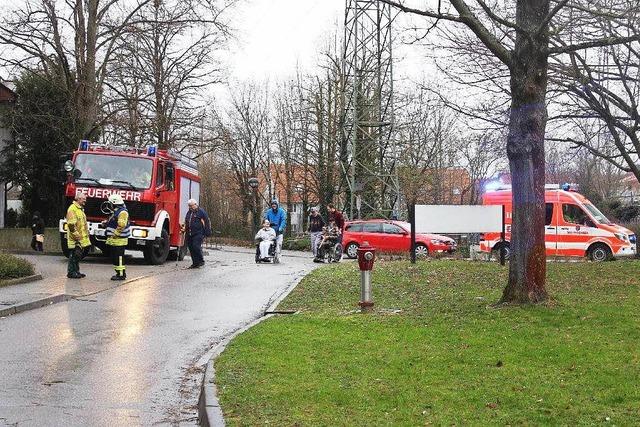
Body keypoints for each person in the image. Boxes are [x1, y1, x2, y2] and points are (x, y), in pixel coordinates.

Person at [104, 194, 130, 281]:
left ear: (114, 203)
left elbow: (121, 225)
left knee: (119, 258)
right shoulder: (116, 211)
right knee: (115, 257)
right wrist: (106, 223)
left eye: (110, 203)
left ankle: (121, 275)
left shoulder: (122, 212)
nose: (109, 205)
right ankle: (119, 273)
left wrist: (115, 234)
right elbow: (115, 222)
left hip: (119, 240)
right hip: (115, 240)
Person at [66, 193, 91, 279]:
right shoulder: (72, 209)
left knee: (77, 255)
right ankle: (72, 272)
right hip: (75, 239)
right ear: (78, 199)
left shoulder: (79, 209)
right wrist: (77, 237)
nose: (85, 200)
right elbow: (71, 225)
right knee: (74, 255)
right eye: (83, 199)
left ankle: (76, 271)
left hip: (79, 238)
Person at [184, 199, 212, 268]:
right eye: (189, 206)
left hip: (199, 233)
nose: (190, 207)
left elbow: (206, 222)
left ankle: (201, 261)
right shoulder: (189, 212)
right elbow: (187, 222)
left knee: (196, 246)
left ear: (195, 204)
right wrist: (184, 229)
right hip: (190, 233)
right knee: (191, 248)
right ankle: (195, 263)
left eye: (191, 206)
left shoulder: (201, 212)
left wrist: (207, 232)